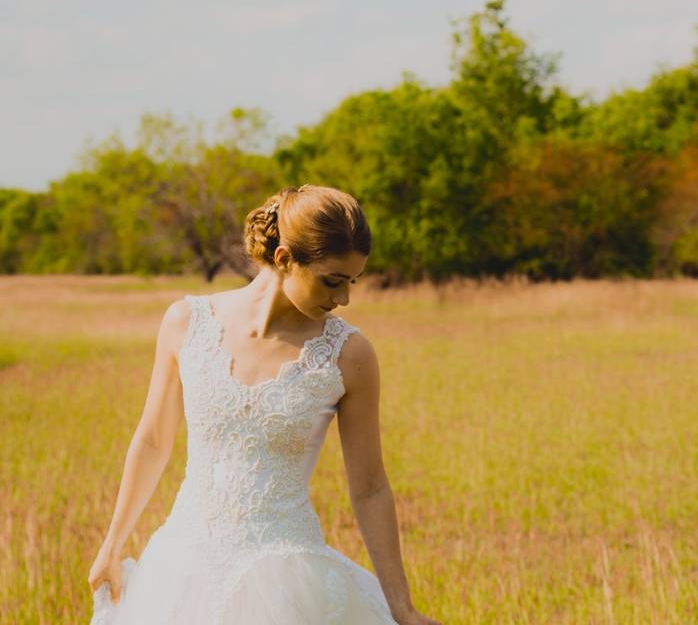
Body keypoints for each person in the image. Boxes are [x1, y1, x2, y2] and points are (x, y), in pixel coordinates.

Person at [87, 185, 441, 624]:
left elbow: (370, 487)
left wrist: (401, 606)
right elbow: (154, 441)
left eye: (353, 281)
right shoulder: (186, 322)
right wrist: (111, 545)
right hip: (180, 568)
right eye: (333, 280)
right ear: (284, 258)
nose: (345, 298)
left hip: (288, 581)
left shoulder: (350, 354)